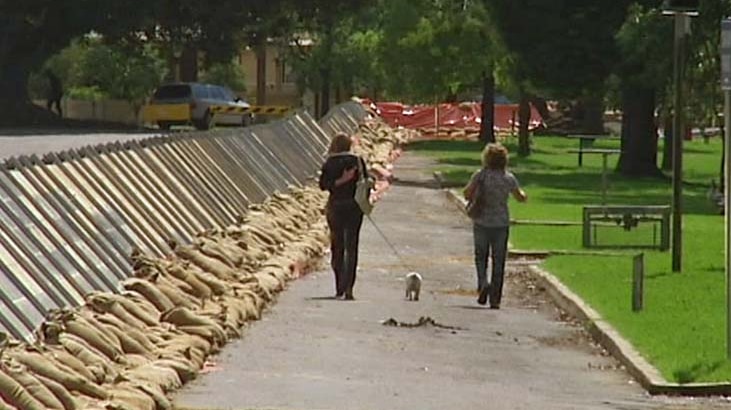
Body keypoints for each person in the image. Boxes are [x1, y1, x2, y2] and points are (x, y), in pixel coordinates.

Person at [463, 143, 527, 309]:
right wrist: (524, 195)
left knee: (481, 256)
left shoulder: (480, 175)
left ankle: (483, 283)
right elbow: (520, 197)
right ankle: (495, 299)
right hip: (501, 223)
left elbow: (467, 193)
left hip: (481, 221)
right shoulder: (508, 178)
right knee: (499, 261)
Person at [319, 132, 368, 300]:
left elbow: (323, 186)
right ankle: (349, 287)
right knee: (352, 247)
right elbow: (366, 182)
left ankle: (339, 285)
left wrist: (339, 181)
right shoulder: (358, 161)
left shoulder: (329, 163)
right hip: (354, 207)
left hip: (336, 207)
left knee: (337, 246)